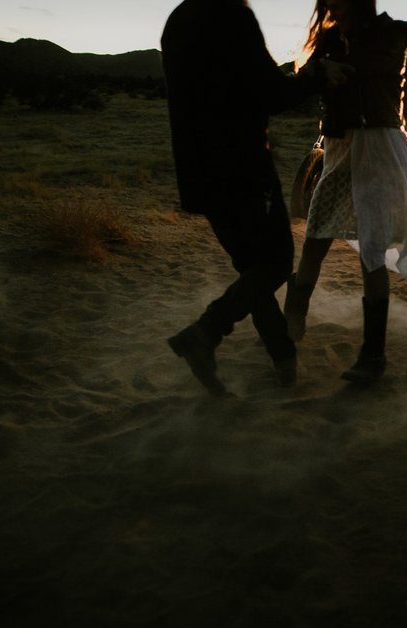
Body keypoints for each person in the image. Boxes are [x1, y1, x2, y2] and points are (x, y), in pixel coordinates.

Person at [161, 0, 349, 395]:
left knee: (252, 268)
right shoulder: (231, 15)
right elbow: (272, 95)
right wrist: (317, 75)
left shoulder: (178, 20)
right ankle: (206, 333)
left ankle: (283, 359)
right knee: (277, 262)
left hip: (197, 173)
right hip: (241, 168)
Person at [284, 0, 407, 384]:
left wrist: (330, 69)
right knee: (316, 231)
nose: (333, 3)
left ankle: (373, 355)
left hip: (379, 145)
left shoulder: (393, 31)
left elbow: (375, 68)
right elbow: (310, 76)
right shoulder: (331, 37)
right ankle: (291, 323)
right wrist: (319, 69)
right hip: (339, 143)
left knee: (372, 244)